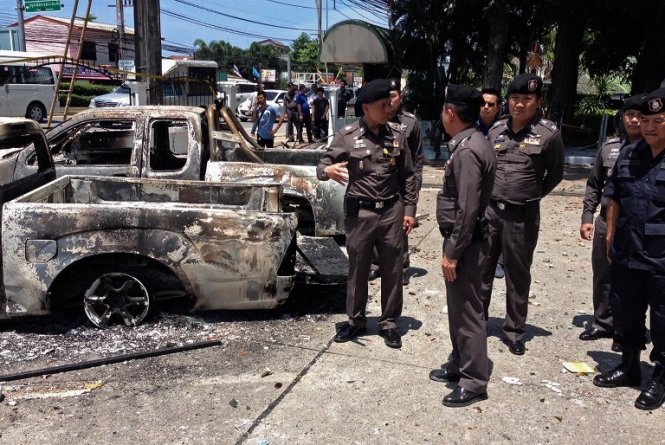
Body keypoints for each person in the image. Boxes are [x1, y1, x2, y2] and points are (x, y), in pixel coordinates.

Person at [316, 79, 417, 349]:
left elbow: (408, 175)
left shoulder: (397, 134)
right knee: (358, 268)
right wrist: (327, 171)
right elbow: (322, 164)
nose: (389, 109)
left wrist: (409, 210)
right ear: (366, 107)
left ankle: (389, 323)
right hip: (360, 213)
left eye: (390, 104)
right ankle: (355, 321)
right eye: (383, 105)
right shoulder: (347, 136)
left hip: (391, 212)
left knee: (393, 269)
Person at [480, 73, 565, 355]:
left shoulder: (548, 134)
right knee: (483, 269)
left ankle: (515, 331)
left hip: (522, 218)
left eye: (526, 99)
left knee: (518, 274)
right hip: (491, 213)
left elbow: (555, 173)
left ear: (537, 101)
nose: (519, 104)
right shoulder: (496, 130)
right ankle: (477, 322)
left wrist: (531, 194)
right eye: (515, 98)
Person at [593, 88, 665, 411]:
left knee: (663, 320)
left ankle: (661, 377)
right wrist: (609, 236)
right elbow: (614, 196)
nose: (649, 127)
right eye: (646, 120)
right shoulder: (628, 154)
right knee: (627, 312)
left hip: (662, 259)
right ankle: (630, 365)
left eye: (658, 121)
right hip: (628, 251)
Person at [429, 84, 497, 408]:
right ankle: (460, 363)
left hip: (467, 245)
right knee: (459, 309)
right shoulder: (469, 143)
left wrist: (452, 252)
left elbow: (468, 209)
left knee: (469, 311)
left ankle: (473, 381)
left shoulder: (469, 150)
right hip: (466, 242)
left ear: (450, 113)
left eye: (443, 110)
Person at [578, 94, 644, 350]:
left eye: (639, 115)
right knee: (603, 275)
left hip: (635, 224)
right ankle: (602, 322)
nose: (634, 120)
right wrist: (587, 216)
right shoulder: (609, 148)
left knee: (631, 280)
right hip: (606, 220)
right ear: (622, 118)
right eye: (629, 114)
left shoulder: (654, 150)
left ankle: (624, 331)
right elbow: (594, 184)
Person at [368, 79, 423, 285]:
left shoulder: (410, 123)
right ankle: (376, 265)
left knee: (401, 226)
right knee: (374, 223)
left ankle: (401, 266)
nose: (390, 101)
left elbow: (417, 158)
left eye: (394, 96)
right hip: (378, 181)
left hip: (401, 183)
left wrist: (416, 185)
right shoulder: (374, 118)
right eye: (387, 96)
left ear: (401, 97)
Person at [476, 87, 506, 279]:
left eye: (491, 104)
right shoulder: (470, 126)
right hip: (477, 182)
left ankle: (500, 261)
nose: (486, 107)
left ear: (498, 107)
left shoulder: (506, 128)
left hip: (499, 184)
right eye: (483, 104)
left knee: (501, 222)